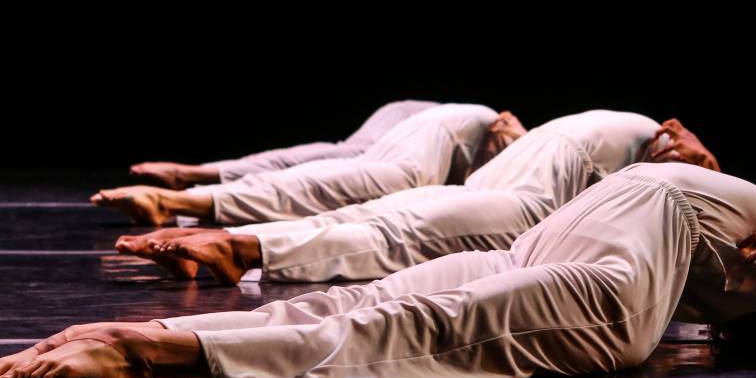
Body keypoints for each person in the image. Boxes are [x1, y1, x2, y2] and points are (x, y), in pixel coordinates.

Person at [0, 162, 756, 378]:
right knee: (376, 299)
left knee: (412, 327)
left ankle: (146, 350)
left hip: (601, 289)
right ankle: (156, 337)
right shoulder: (730, 293)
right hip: (558, 257)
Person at [114, 111, 719, 284]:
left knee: (390, 222)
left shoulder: (650, 176)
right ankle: (219, 229)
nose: (697, 162)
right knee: (383, 209)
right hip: (512, 188)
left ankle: (234, 244)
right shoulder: (643, 136)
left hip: (526, 205)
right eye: (703, 159)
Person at [90, 103, 507, 225]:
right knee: (391, 177)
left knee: (343, 156)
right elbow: (507, 126)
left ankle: (189, 185)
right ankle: (184, 195)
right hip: (464, 126)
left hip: (432, 120)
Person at [126, 99, 443, 189]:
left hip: (451, 133)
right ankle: (202, 176)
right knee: (347, 153)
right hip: (437, 116)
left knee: (351, 158)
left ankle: (204, 182)